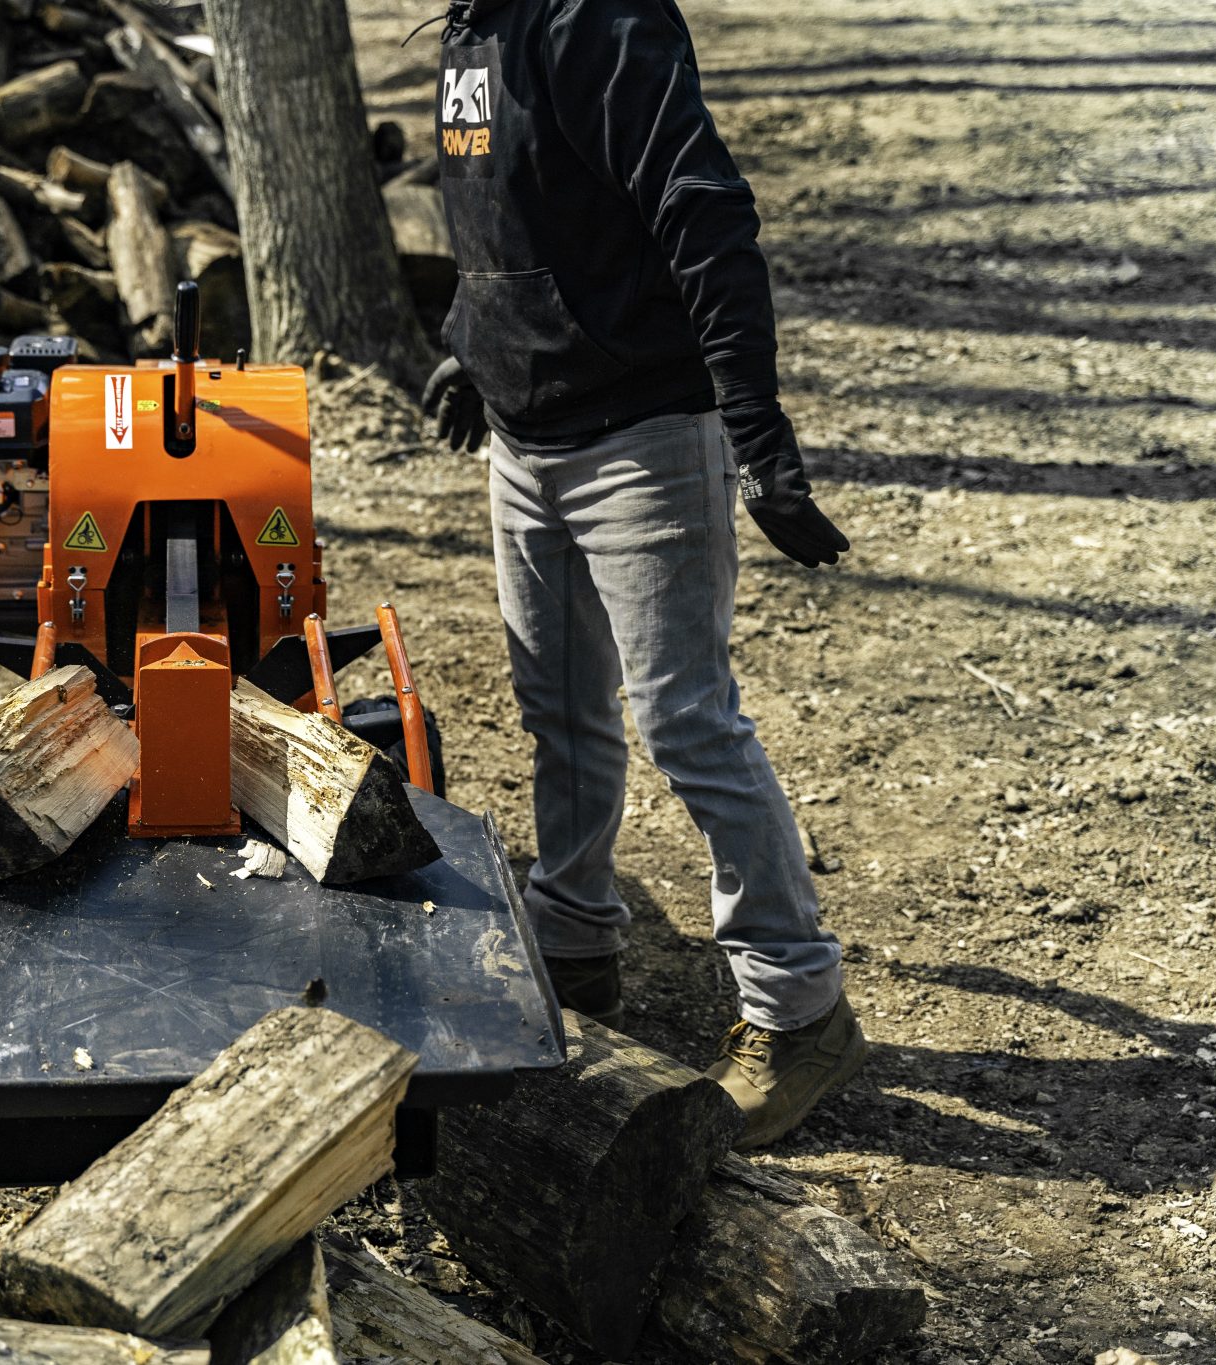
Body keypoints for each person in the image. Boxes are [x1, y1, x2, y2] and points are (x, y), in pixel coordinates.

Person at [418, 0, 865, 1147]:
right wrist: (467, 349)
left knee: (685, 723)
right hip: (524, 440)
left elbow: (699, 210)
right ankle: (571, 934)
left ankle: (797, 1006)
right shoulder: (469, 27)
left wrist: (759, 441)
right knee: (556, 705)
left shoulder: (599, 19)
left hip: (638, 439)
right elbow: (503, 222)